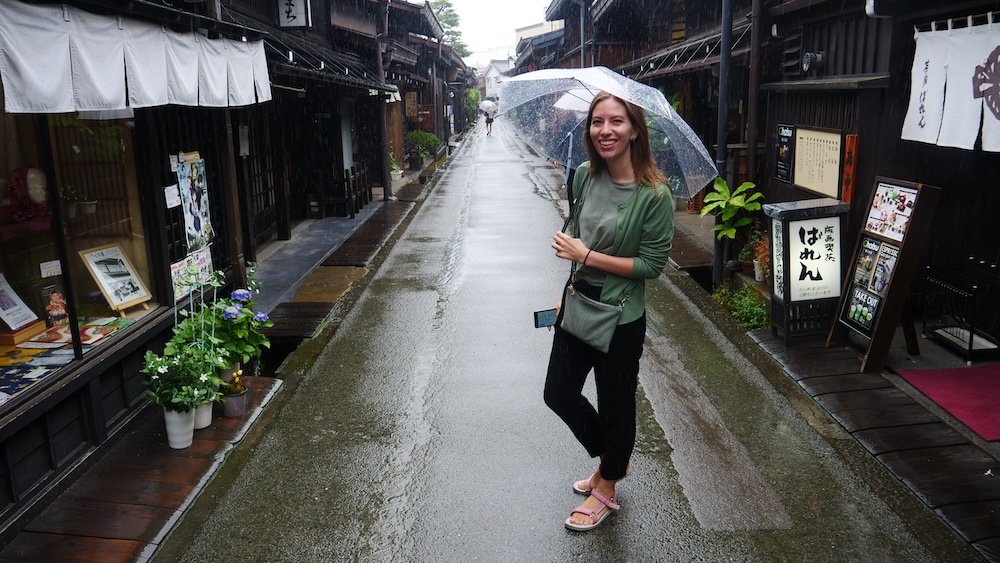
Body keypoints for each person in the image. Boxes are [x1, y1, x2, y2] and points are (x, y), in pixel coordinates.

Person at [546, 91, 674, 532]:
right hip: (579, 302)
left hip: (620, 316)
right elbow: (580, 235)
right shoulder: (583, 176)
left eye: (616, 122)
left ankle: (607, 485)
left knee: (616, 403)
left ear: (635, 129)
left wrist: (585, 255)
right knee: (558, 393)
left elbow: (651, 266)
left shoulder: (654, 194)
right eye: (597, 122)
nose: (605, 130)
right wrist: (570, 285)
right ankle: (615, 460)